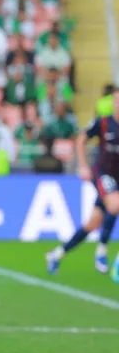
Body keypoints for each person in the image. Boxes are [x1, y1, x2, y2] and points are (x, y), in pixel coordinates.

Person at [60, 93, 119, 283]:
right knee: (114, 205)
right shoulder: (103, 122)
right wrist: (83, 165)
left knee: (92, 223)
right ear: (113, 103)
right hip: (104, 174)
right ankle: (102, 249)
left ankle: (57, 253)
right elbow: (81, 139)